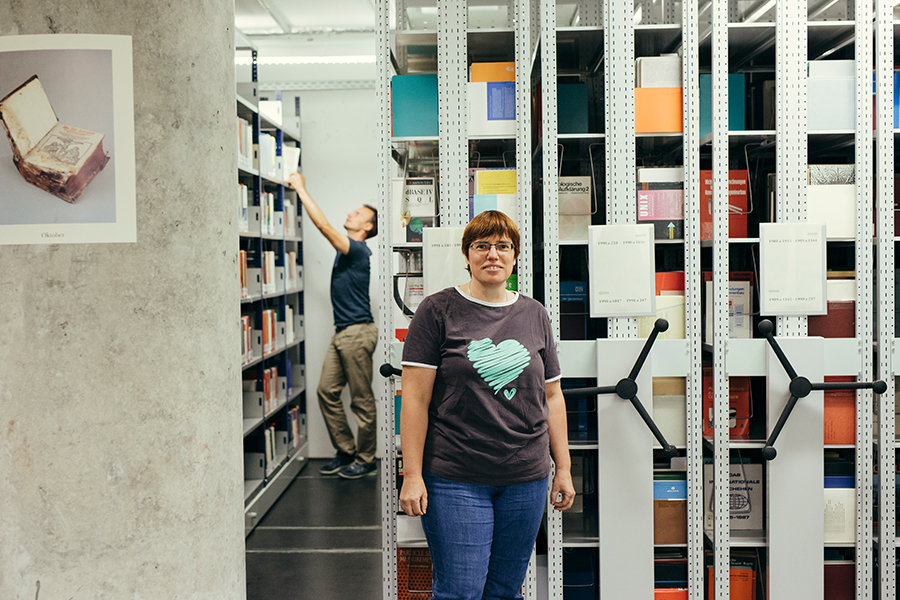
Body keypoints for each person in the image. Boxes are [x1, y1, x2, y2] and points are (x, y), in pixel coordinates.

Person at [399, 210, 575, 600]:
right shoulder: (437, 311)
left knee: (504, 590)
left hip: (525, 478)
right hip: (455, 477)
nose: (492, 255)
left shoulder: (534, 313)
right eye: (482, 246)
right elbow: (414, 398)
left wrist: (562, 467)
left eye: (503, 246)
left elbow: (552, 396)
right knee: (460, 591)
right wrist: (412, 474)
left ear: (514, 257)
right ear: (467, 254)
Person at [287, 172, 379, 479]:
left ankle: (366, 460)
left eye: (359, 214)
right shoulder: (347, 252)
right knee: (325, 391)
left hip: (357, 333)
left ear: (367, 227)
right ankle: (346, 451)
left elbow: (323, 226)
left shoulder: (358, 250)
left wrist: (301, 189)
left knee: (362, 400)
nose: (351, 213)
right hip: (342, 332)